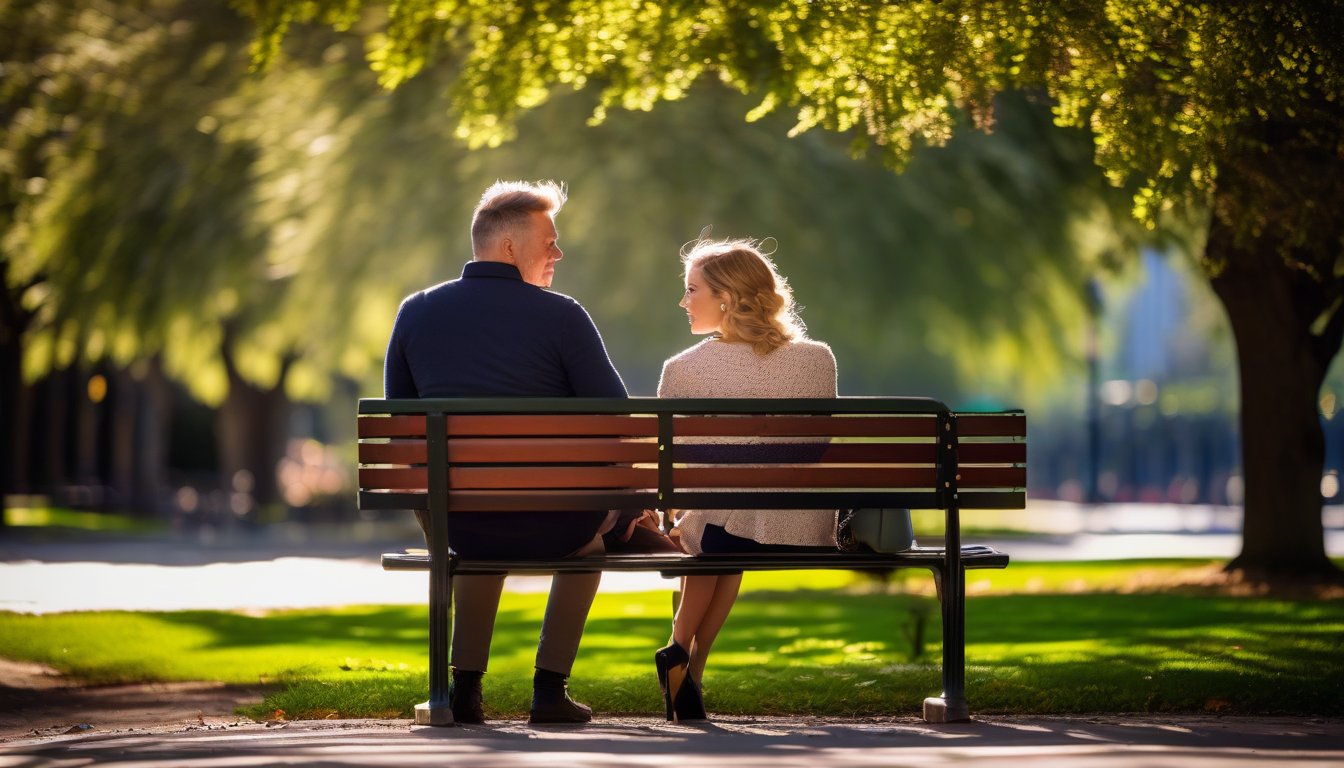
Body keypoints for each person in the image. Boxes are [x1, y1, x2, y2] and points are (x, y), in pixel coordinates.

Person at [384, 180, 627, 724]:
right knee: (588, 550)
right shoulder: (563, 316)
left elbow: (400, 426)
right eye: (550, 241)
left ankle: (463, 691)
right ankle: (549, 690)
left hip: (458, 523)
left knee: (471, 518)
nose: (558, 253)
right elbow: (619, 419)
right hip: (560, 524)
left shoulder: (417, 311)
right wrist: (622, 503)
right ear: (510, 247)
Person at [653, 237, 839, 722]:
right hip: (800, 529)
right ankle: (692, 669)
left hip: (723, 526)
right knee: (726, 528)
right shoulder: (818, 359)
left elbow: (674, 463)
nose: (683, 301)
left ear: (727, 299)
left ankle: (677, 647)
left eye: (692, 290)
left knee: (714, 525)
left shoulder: (683, 369)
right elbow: (815, 450)